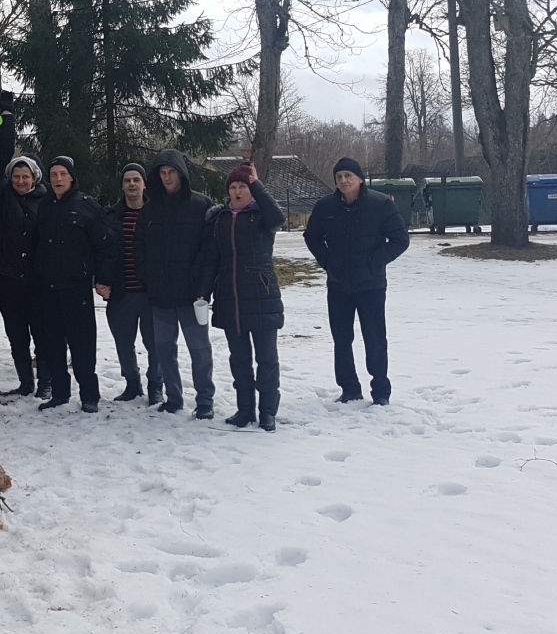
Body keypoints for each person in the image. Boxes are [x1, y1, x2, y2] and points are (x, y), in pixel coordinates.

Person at [303, 157, 410, 405]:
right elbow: (312, 236)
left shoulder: (380, 204)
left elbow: (400, 240)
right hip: (339, 284)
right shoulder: (325, 207)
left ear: (360, 178)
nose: (343, 180)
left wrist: (375, 261)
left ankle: (381, 391)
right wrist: (327, 261)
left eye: (348, 175)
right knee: (341, 338)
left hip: (370, 284)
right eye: (339, 177)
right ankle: (349, 388)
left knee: (374, 337)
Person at [34, 156, 119, 412]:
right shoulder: (45, 206)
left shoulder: (87, 206)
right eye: (54, 175)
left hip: (77, 287)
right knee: (53, 344)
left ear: (71, 177)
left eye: (63, 174)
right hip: (48, 287)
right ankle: (60, 393)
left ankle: (89, 395)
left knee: (82, 344)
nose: (58, 179)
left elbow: (104, 246)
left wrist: (103, 279)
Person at [0, 92, 50, 398]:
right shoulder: (2, 198)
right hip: (8, 279)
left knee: (42, 334)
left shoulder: (46, 203)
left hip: (36, 279)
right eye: (17, 176)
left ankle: (46, 382)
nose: (21, 180)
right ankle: (26, 382)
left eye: (26, 176)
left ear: (34, 178)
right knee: (16, 335)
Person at [140, 149, 218, 417]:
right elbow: (140, 248)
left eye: (171, 172)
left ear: (181, 173)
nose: (166, 178)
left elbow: (210, 253)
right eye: (162, 173)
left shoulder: (201, 205)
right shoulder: (149, 209)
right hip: (160, 295)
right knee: (164, 351)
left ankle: (205, 400)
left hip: (191, 295)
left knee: (200, 351)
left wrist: (203, 289)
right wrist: (147, 280)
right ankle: (173, 398)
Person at [209, 162, 285, 430]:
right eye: (233, 186)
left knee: (266, 359)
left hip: (262, 295)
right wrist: (202, 292)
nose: (238, 191)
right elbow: (213, 260)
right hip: (230, 298)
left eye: (243, 186)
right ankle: (245, 410)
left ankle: (267, 412)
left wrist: (258, 185)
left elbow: (278, 218)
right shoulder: (219, 219)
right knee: (239, 359)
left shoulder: (262, 215)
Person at [104, 163, 162, 403]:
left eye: (136, 180)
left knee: (155, 345)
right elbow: (103, 252)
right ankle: (132, 384)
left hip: (152, 294)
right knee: (123, 344)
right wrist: (103, 281)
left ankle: (156, 386)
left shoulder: (157, 214)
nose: (132, 184)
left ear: (144, 184)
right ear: (122, 185)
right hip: (121, 293)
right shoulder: (110, 216)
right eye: (127, 180)